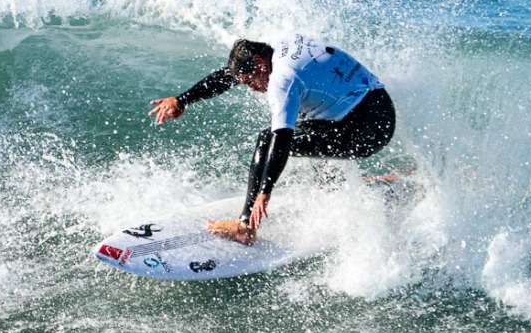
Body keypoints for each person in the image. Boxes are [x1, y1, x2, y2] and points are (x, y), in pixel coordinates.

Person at [149, 34, 395, 245]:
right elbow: (228, 75)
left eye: (250, 82)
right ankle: (333, 190)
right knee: (302, 118)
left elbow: (281, 139)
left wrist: (264, 192)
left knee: (268, 138)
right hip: (377, 105)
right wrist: (182, 100)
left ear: (258, 63)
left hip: (367, 131)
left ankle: (245, 227)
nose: (252, 89)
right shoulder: (276, 48)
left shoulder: (283, 79)